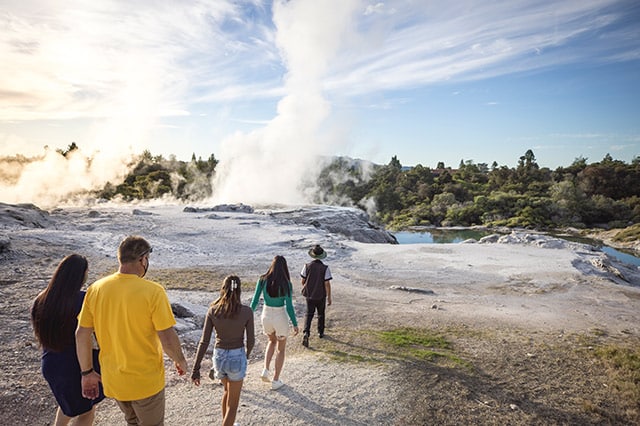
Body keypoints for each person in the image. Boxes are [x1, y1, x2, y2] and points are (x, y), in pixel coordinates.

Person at [76, 236, 188, 425]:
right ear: (143, 259)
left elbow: (82, 333)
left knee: (132, 421)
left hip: (114, 380)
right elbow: (167, 337)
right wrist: (180, 360)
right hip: (145, 381)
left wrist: (87, 373)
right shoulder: (153, 291)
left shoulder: (96, 289)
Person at [31, 254, 105, 426]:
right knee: (87, 412)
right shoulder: (83, 300)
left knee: (66, 406)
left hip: (51, 364)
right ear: (81, 275)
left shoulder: (41, 299)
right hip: (76, 365)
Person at [191, 275, 254, 426]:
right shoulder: (246, 311)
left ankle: (228, 423)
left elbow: (204, 341)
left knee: (226, 391)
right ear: (239, 290)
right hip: (236, 355)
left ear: (223, 289)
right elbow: (251, 341)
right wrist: (246, 356)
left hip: (219, 356)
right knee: (233, 405)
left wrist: (196, 368)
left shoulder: (213, 310)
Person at [250, 255, 299, 390]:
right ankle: (276, 380)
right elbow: (289, 307)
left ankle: (265, 369)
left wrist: (247, 316)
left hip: (266, 315)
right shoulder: (287, 284)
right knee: (281, 349)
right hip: (280, 315)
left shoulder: (262, 280)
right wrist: (295, 323)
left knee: (271, 341)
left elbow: (254, 301)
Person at [300, 244, 333, 348]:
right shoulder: (325, 268)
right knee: (321, 313)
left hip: (309, 294)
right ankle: (320, 332)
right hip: (320, 294)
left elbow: (303, 280)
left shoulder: (306, 266)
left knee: (309, 313)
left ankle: (306, 332)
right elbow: (327, 283)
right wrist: (329, 296)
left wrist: (307, 287)